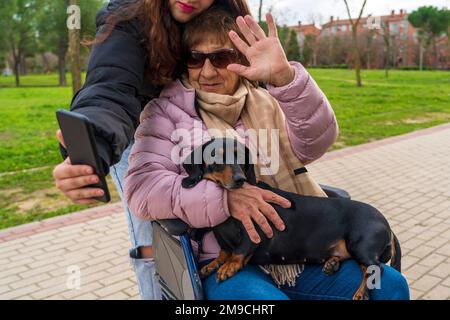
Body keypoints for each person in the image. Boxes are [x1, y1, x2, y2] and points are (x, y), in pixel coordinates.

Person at [124, 7, 410, 300]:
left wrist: (286, 80)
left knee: (390, 287)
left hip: (300, 251)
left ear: (240, 59)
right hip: (221, 255)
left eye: (221, 58)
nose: (207, 71)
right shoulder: (164, 113)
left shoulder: (270, 101)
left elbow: (315, 143)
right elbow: (142, 191)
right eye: (195, 58)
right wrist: (225, 198)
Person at [52, 0, 259, 300]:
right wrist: (92, 145)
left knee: (213, 212)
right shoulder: (128, 16)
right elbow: (111, 88)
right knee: (155, 235)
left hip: (200, 125)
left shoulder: (229, 15)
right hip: (135, 132)